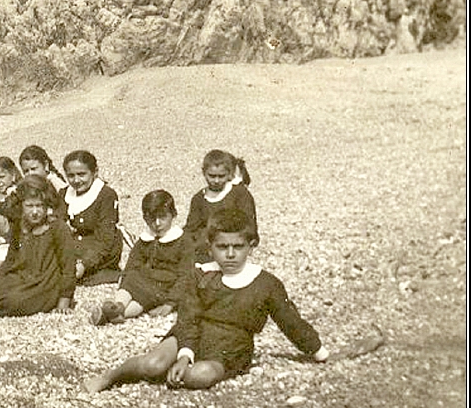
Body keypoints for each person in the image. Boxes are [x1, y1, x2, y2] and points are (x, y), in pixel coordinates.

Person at [82, 208, 328, 393]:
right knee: (152, 364)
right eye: (222, 247)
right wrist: (184, 354)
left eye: (238, 246)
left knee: (199, 377)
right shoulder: (201, 273)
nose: (230, 254)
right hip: (191, 332)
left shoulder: (266, 283)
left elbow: (290, 321)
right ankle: (112, 376)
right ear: (210, 247)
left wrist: (318, 352)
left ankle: (179, 370)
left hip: (230, 345)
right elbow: (188, 316)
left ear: (251, 246)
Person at [0, 176, 76, 317]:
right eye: (30, 206)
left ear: (47, 205)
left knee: (15, 302)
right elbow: (10, 260)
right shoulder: (20, 226)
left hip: (45, 283)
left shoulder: (57, 228)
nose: (35, 211)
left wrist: (64, 301)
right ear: (21, 205)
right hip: (21, 278)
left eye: (40, 206)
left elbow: (68, 267)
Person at [90, 190, 188, 325]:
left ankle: (112, 315)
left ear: (173, 215)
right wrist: (126, 278)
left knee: (143, 299)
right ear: (145, 218)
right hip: (143, 279)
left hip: (164, 285)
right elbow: (132, 263)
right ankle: (118, 305)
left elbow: (185, 275)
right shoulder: (145, 239)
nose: (157, 224)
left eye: (162, 217)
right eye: (151, 219)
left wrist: (170, 304)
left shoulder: (182, 242)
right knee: (131, 278)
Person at [182, 149, 258, 263]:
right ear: (204, 173)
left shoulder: (240, 194)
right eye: (212, 176)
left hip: (231, 248)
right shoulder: (199, 198)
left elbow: (249, 225)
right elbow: (191, 228)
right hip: (205, 251)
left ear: (229, 174)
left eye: (221, 176)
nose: (216, 181)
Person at [63, 149, 122, 285]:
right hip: (76, 247)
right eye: (71, 175)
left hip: (100, 250)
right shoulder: (65, 194)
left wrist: (84, 264)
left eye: (82, 174)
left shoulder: (106, 195)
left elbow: (105, 239)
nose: (76, 180)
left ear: (95, 172)